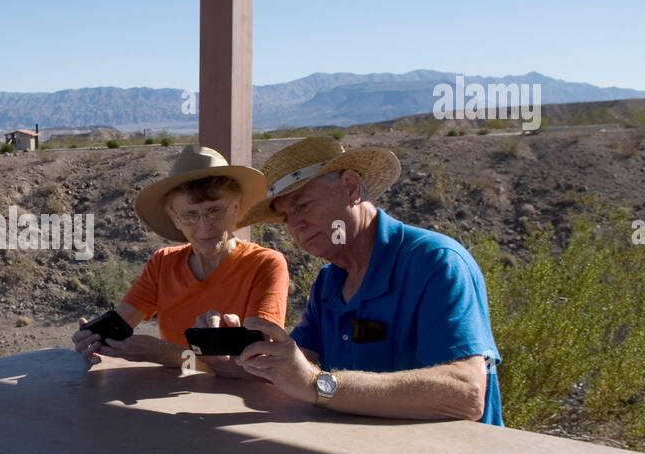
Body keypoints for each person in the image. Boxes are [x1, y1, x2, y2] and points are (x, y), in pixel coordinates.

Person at [215, 136, 502, 424]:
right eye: (286, 217)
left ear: (351, 188)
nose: (296, 226)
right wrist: (238, 359)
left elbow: (467, 394)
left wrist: (319, 385)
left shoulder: (436, 263)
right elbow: (301, 364)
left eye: (303, 206)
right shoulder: (329, 282)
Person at [71, 145, 288, 375]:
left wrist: (164, 353)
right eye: (190, 215)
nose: (205, 226)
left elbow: (261, 366)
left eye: (214, 211)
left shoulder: (265, 264)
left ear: (235, 208)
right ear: (175, 218)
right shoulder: (163, 263)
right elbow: (121, 322)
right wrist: (95, 339)